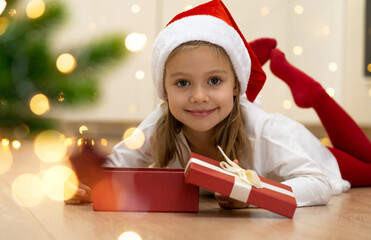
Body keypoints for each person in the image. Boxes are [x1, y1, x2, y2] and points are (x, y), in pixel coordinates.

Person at [65, 0, 371, 208]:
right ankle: (239, 64)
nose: (198, 96)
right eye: (183, 83)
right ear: (164, 91)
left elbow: (317, 183)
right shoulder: (159, 124)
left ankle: (314, 94)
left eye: (214, 81)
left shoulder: (265, 131)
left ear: (237, 87)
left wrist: (253, 194)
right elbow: (118, 165)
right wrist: (92, 185)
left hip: (312, 154)